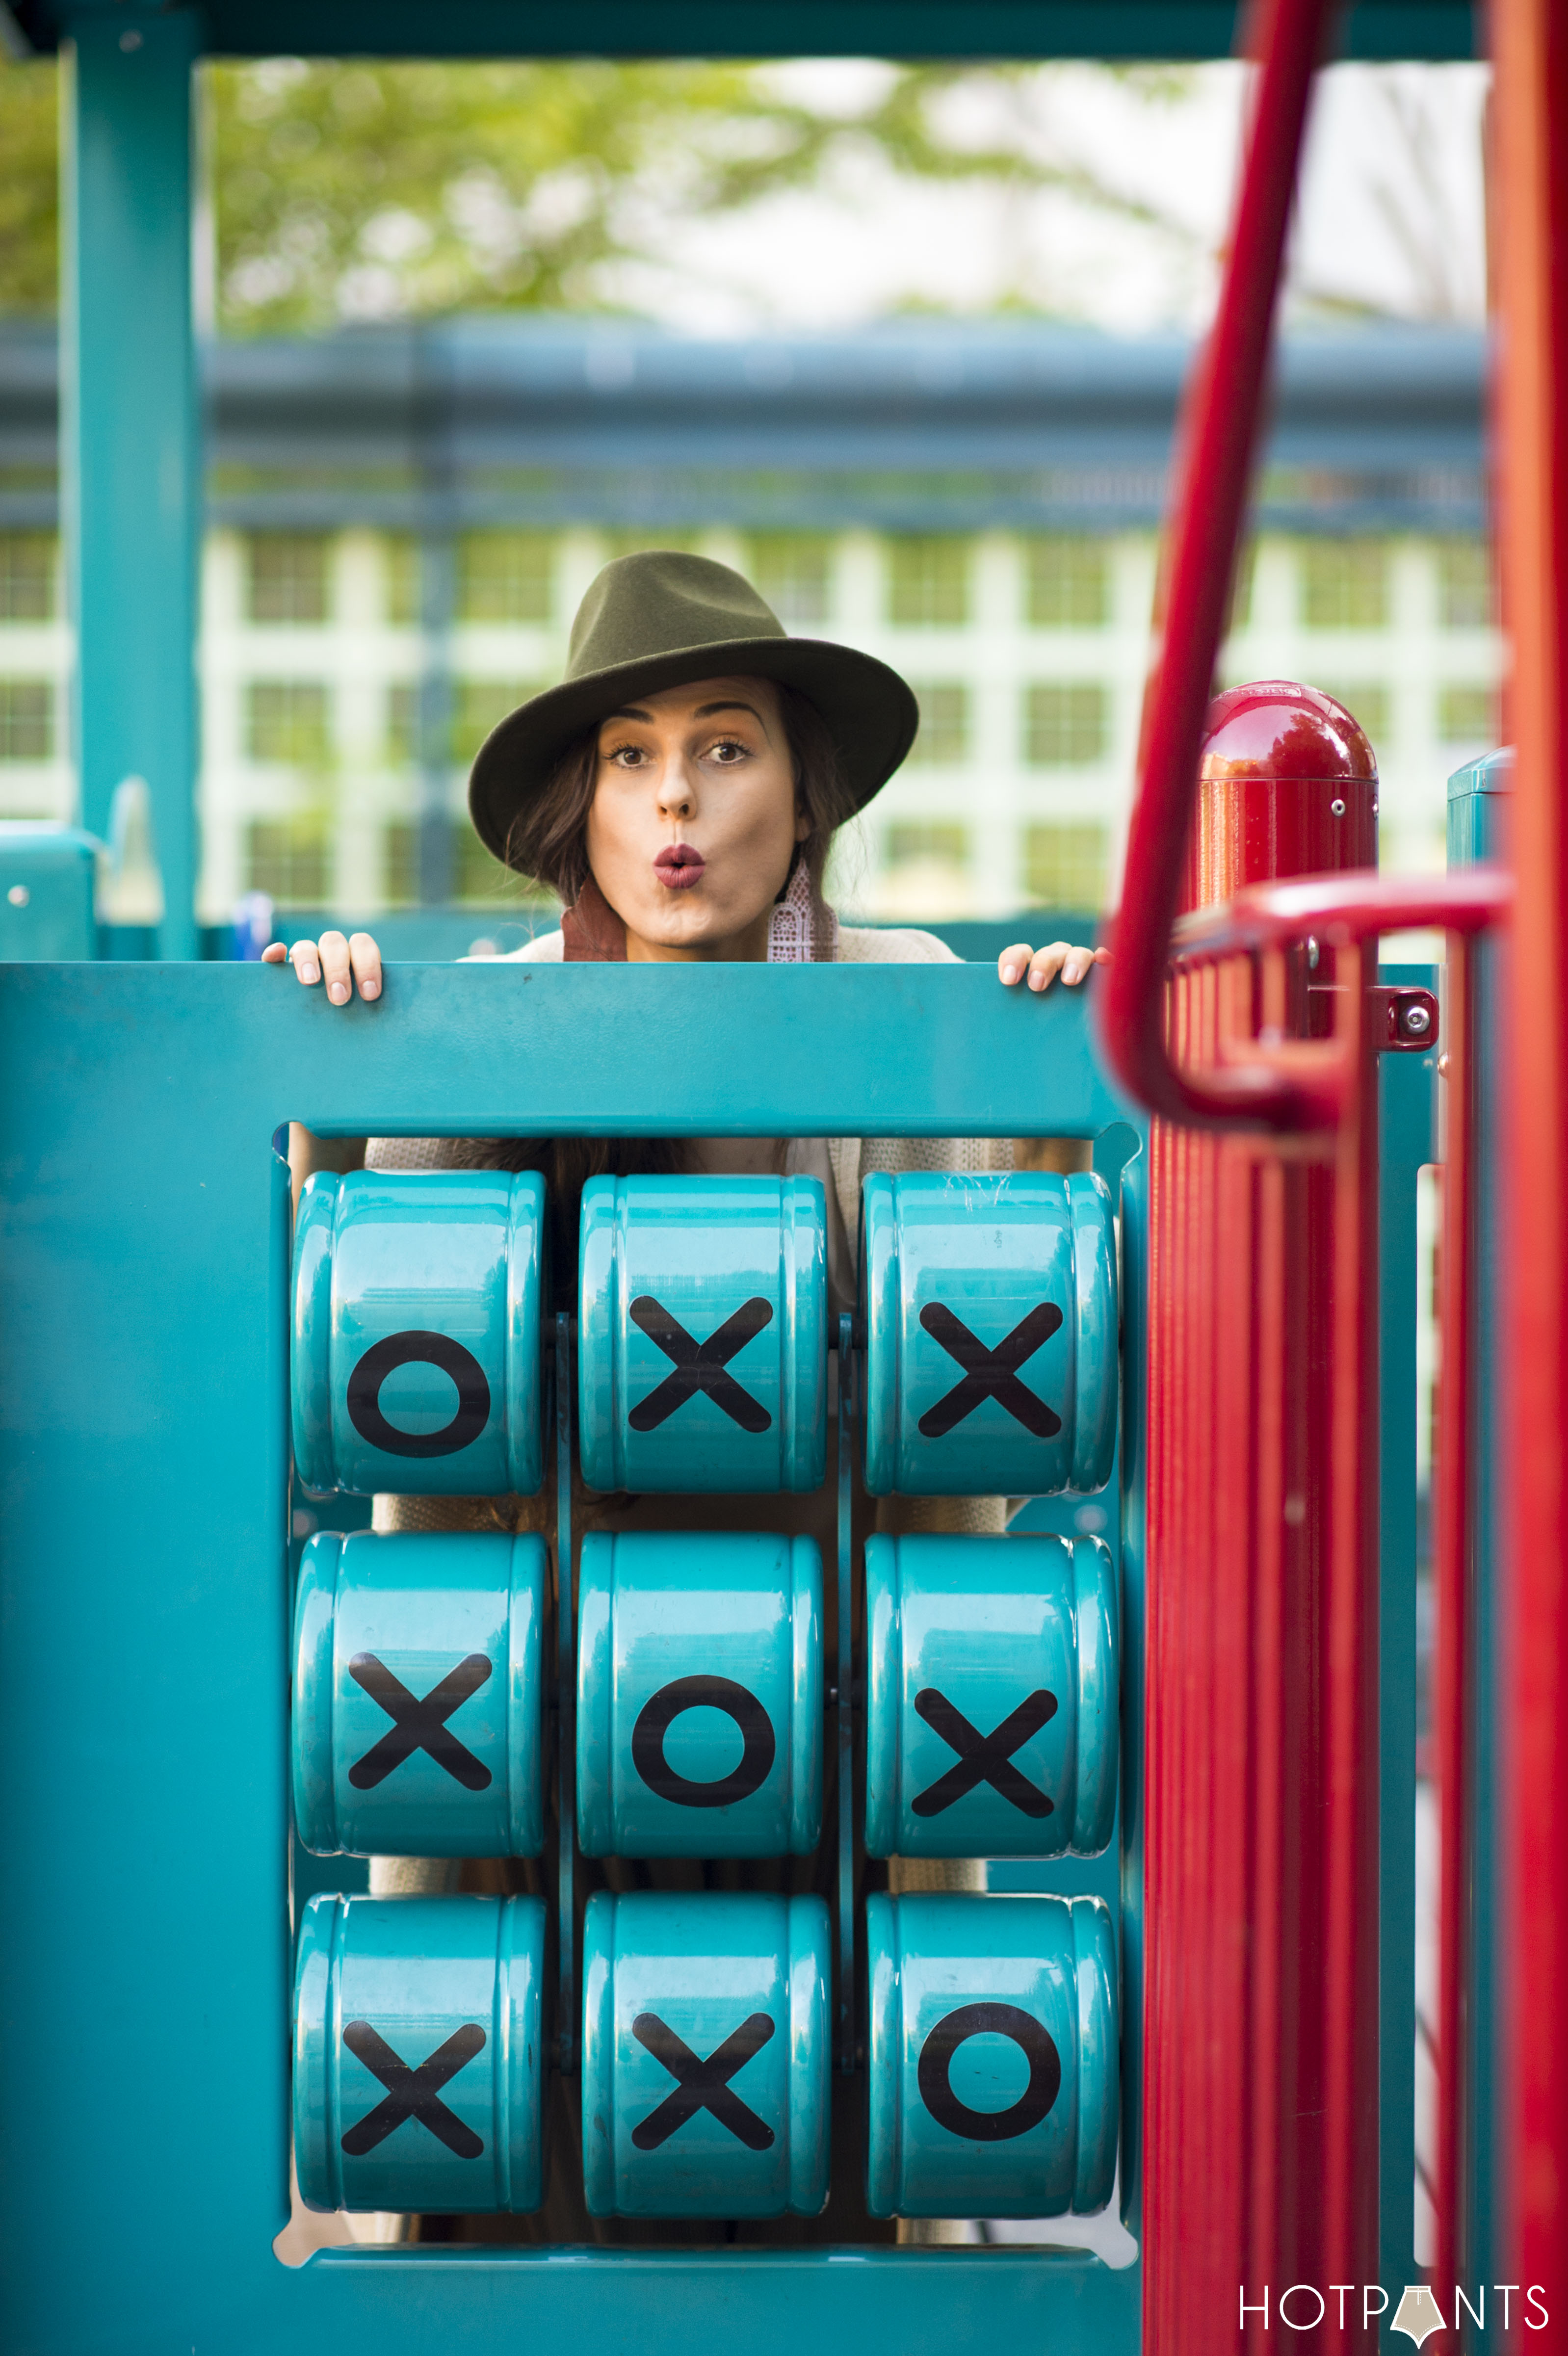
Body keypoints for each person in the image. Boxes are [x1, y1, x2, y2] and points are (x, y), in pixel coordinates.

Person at [268, 551, 1106, 2248]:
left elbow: (1005, 1353)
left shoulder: (910, 997)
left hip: (848, 1738)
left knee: (849, 2170)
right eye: (633, 756)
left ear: (804, 799)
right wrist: (327, 1075)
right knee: (524, 2185)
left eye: (726, 749)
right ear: (580, 808)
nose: (676, 801)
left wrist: (1039, 1071)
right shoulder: (484, 1023)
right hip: (535, 1747)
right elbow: (354, 1340)